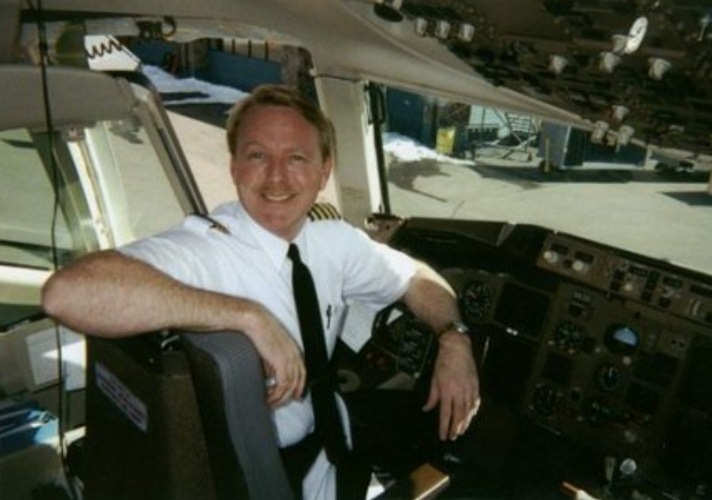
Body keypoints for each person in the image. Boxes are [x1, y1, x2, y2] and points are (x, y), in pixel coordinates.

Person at [42, 84, 480, 500]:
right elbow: (66, 294)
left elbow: (415, 277)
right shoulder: (204, 249)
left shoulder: (333, 241)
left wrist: (454, 338)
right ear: (235, 167)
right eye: (257, 155)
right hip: (262, 472)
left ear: (324, 172)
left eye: (297, 158)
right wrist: (246, 315)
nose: (276, 178)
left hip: (328, 447)